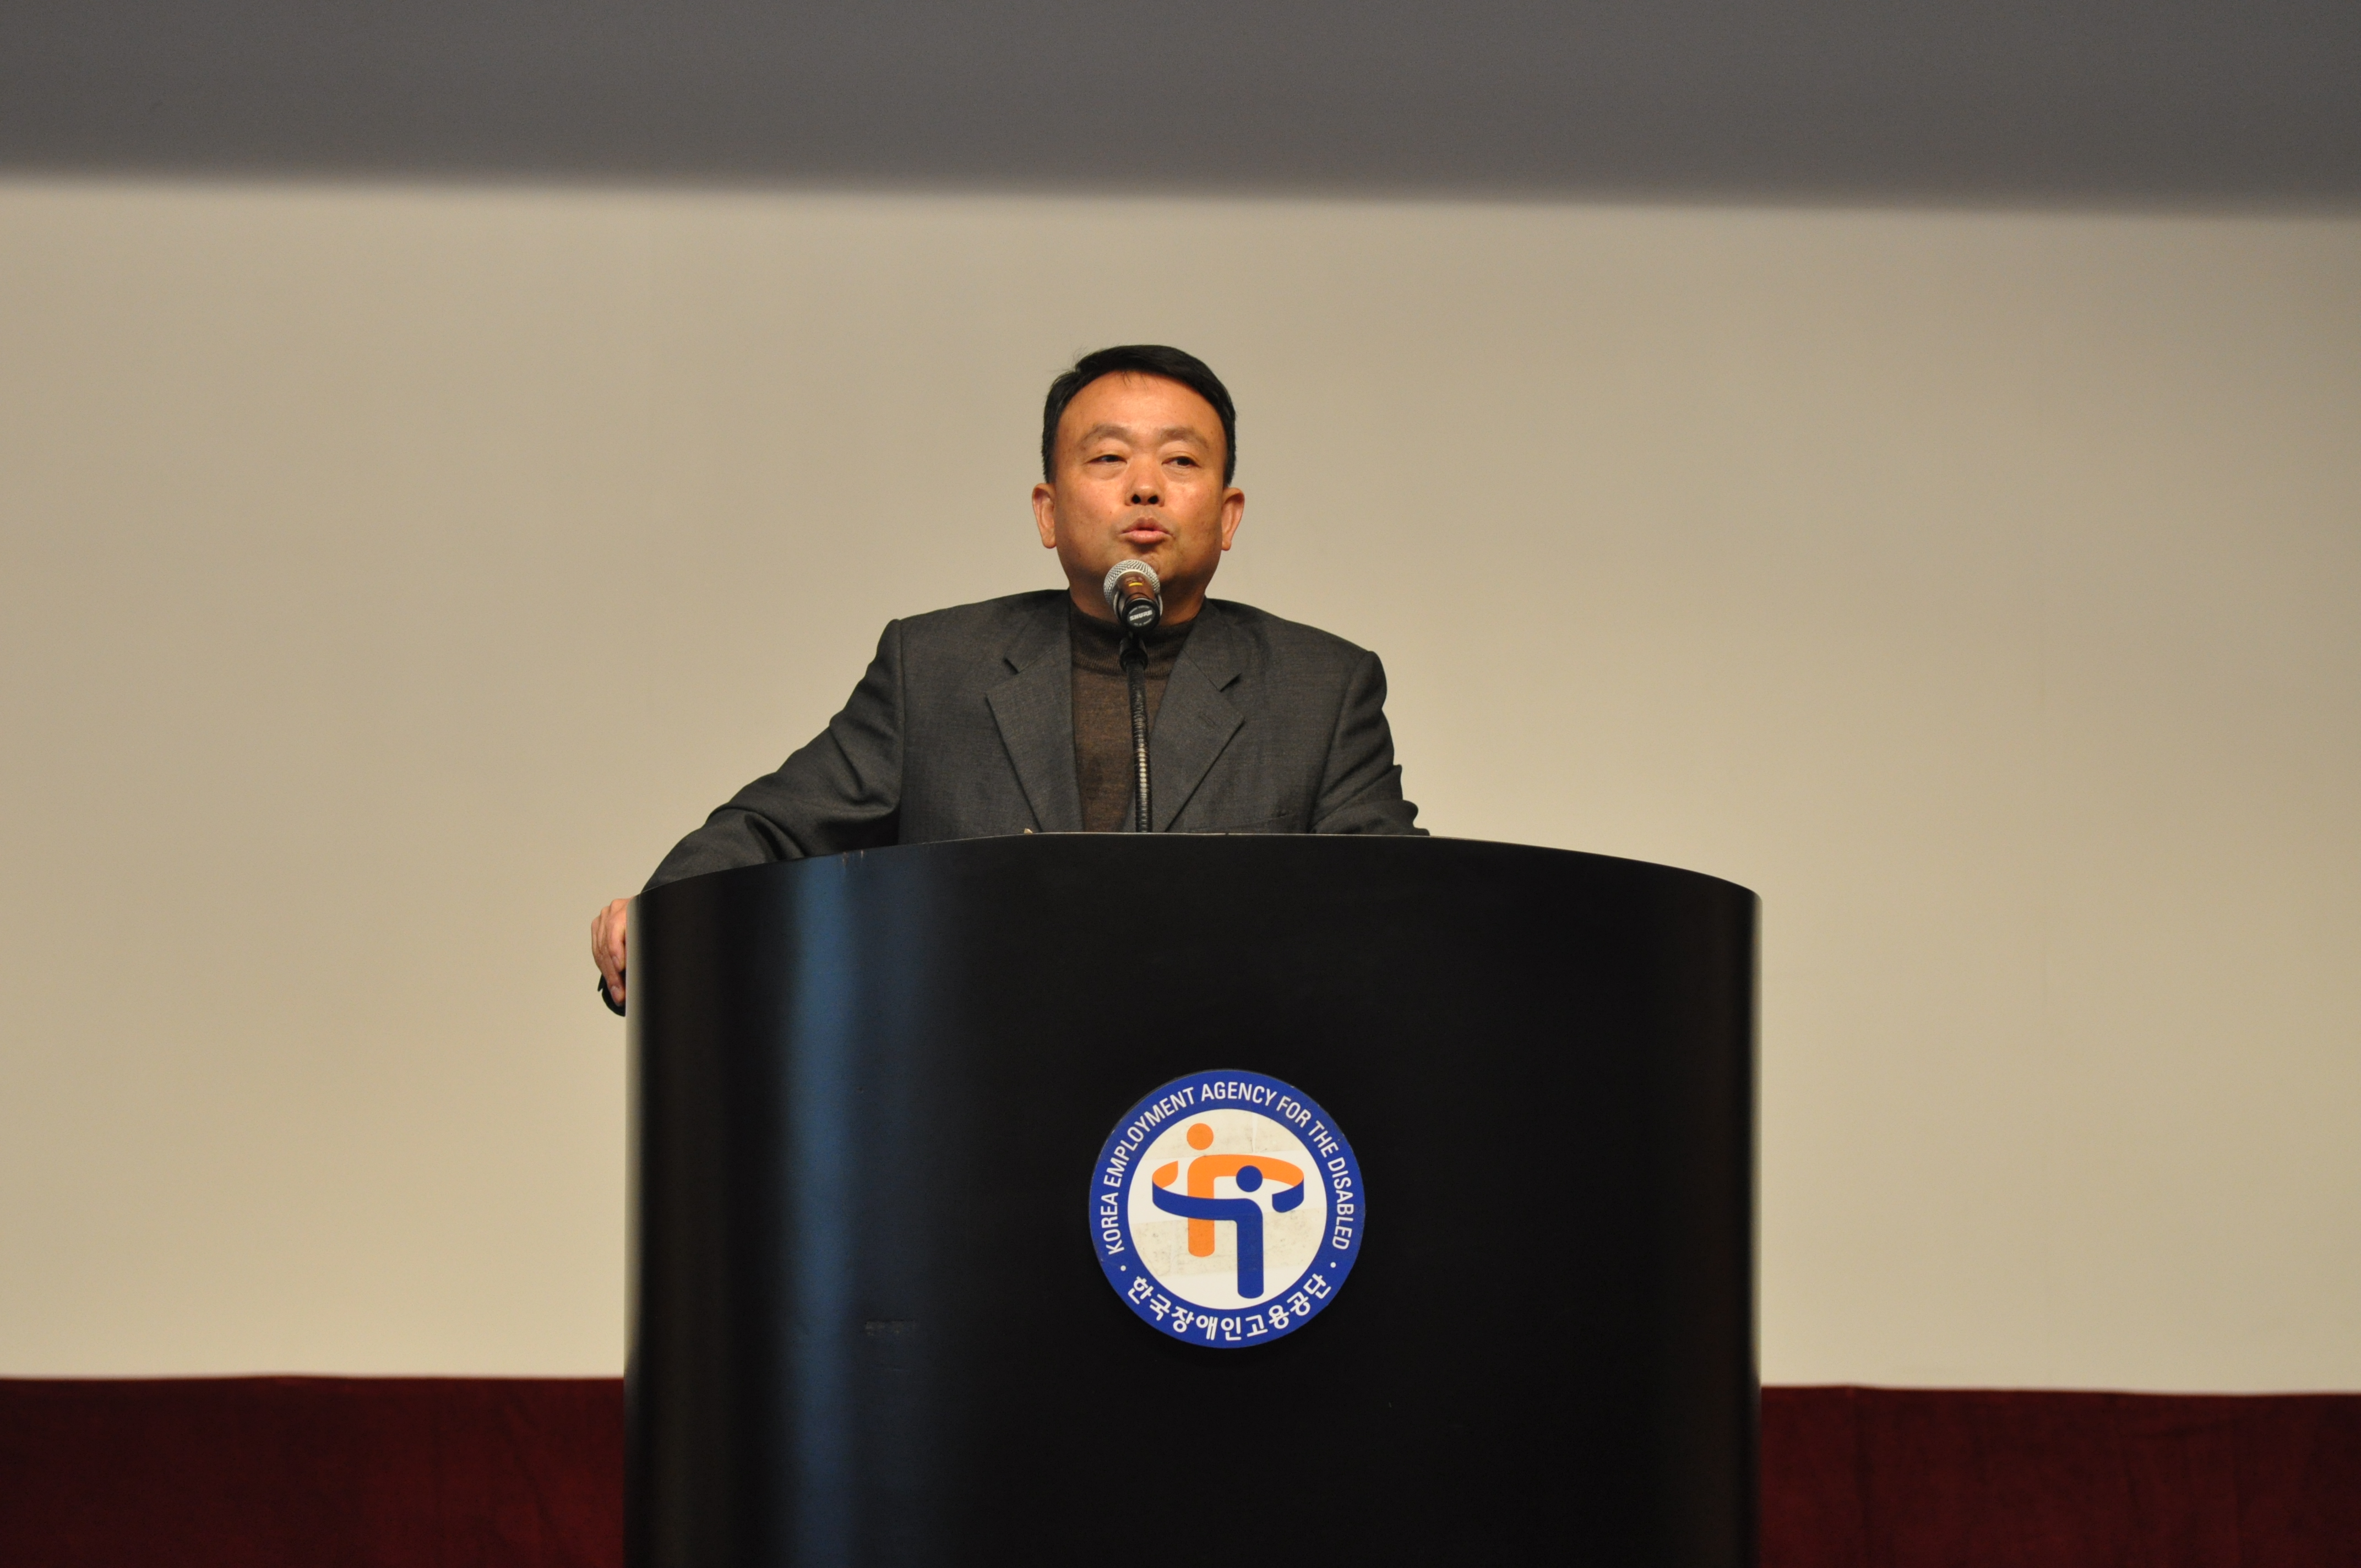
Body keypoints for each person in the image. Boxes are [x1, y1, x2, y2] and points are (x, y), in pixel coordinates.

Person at [591, 345, 1421, 1010]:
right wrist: (661, 916)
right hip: (979, 1092)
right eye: (1108, 457)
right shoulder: (936, 667)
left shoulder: (1322, 689)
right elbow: (774, 830)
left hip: (1215, 1105)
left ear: (1228, 515)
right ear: (1048, 512)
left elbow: (1405, 908)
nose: (1144, 487)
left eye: (1180, 460)